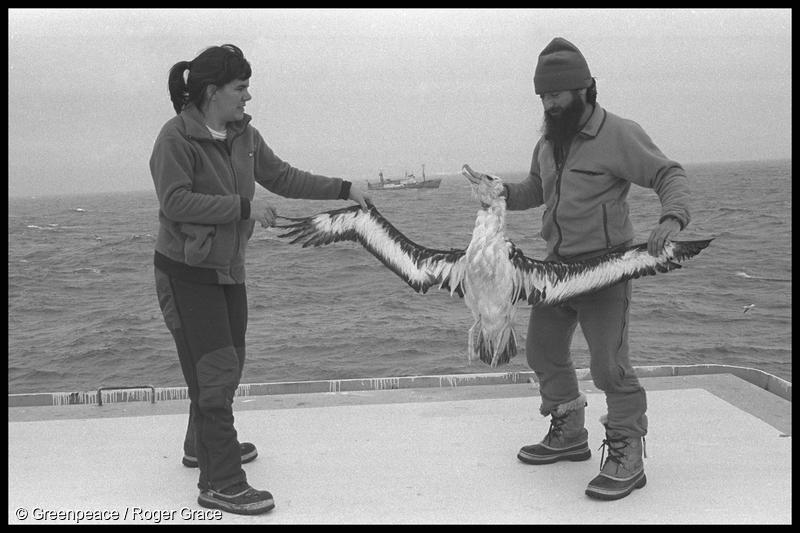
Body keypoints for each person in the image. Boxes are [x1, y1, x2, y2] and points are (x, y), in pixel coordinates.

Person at [150, 44, 370, 515]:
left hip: (229, 271)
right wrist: (242, 208)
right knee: (214, 370)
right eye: (241, 88)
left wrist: (344, 188)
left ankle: (199, 446)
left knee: (228, 364)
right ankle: (221, 480)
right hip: (186, 274)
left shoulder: (244, 135)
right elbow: (175, 202)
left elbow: (283, 176)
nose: (248, 97)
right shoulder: (175, 139)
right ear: (213, 92)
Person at [503, 37, 691, 500]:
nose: (548, 104)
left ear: (585, 88)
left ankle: (627, 449)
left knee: (610, 366)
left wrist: (671, 218)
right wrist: (501, 193)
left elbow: (669, 174)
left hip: (605, 269)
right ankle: (569, 433)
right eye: (543, 96)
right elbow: (536, 188)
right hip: (556, 271)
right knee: (542, 352)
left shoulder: (619, 134)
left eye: (555, 95)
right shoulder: (549, 141)